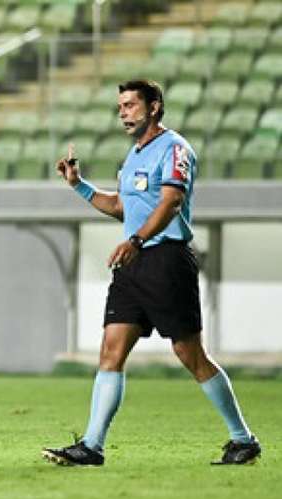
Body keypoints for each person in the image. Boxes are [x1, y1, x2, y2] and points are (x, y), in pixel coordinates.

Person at [42, 79, 261, 466]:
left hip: (166, 259)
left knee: (189, 352)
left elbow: (172, 201)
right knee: (111, 350)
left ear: (155, 107)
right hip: (134, 263)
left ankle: (242, 438)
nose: (123, 113)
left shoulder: (175, 149)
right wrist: (79, 186)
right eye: (120, 107)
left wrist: (138, 241)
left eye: (130, 105)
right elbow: (123, 206)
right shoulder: (134, 157)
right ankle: (92, 446)